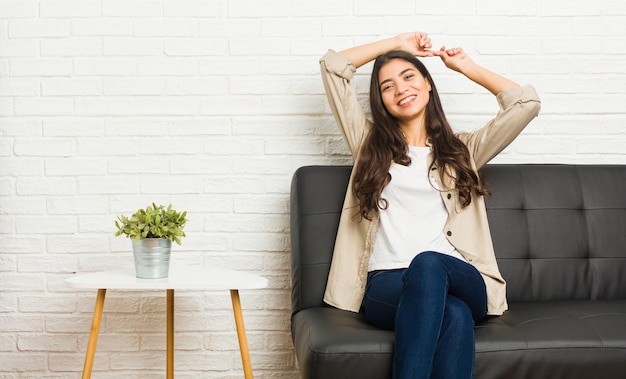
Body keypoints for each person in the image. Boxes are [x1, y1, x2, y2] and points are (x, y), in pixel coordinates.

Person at [319, 32, 541, 379]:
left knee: (429, 264)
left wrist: (465, 66)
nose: (400, 89)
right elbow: (334, 67)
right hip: (387, 283)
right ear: (380, 101)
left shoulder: (463, 150)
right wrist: (395, 45)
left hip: (459, 277)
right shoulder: (368, 146)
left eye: (408, 76)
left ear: (427, 84)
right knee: (453, 314)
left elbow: (526, 104)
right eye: (386, 86)